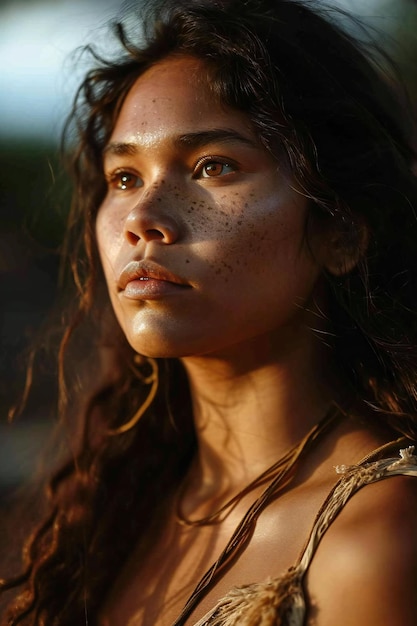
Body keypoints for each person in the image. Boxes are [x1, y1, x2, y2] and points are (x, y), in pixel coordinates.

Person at [1, 0, 417, 623]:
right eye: (123, 177)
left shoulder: (378, 535)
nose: (143, 219)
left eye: (211, 167)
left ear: (341, 230)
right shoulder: (108, 517)